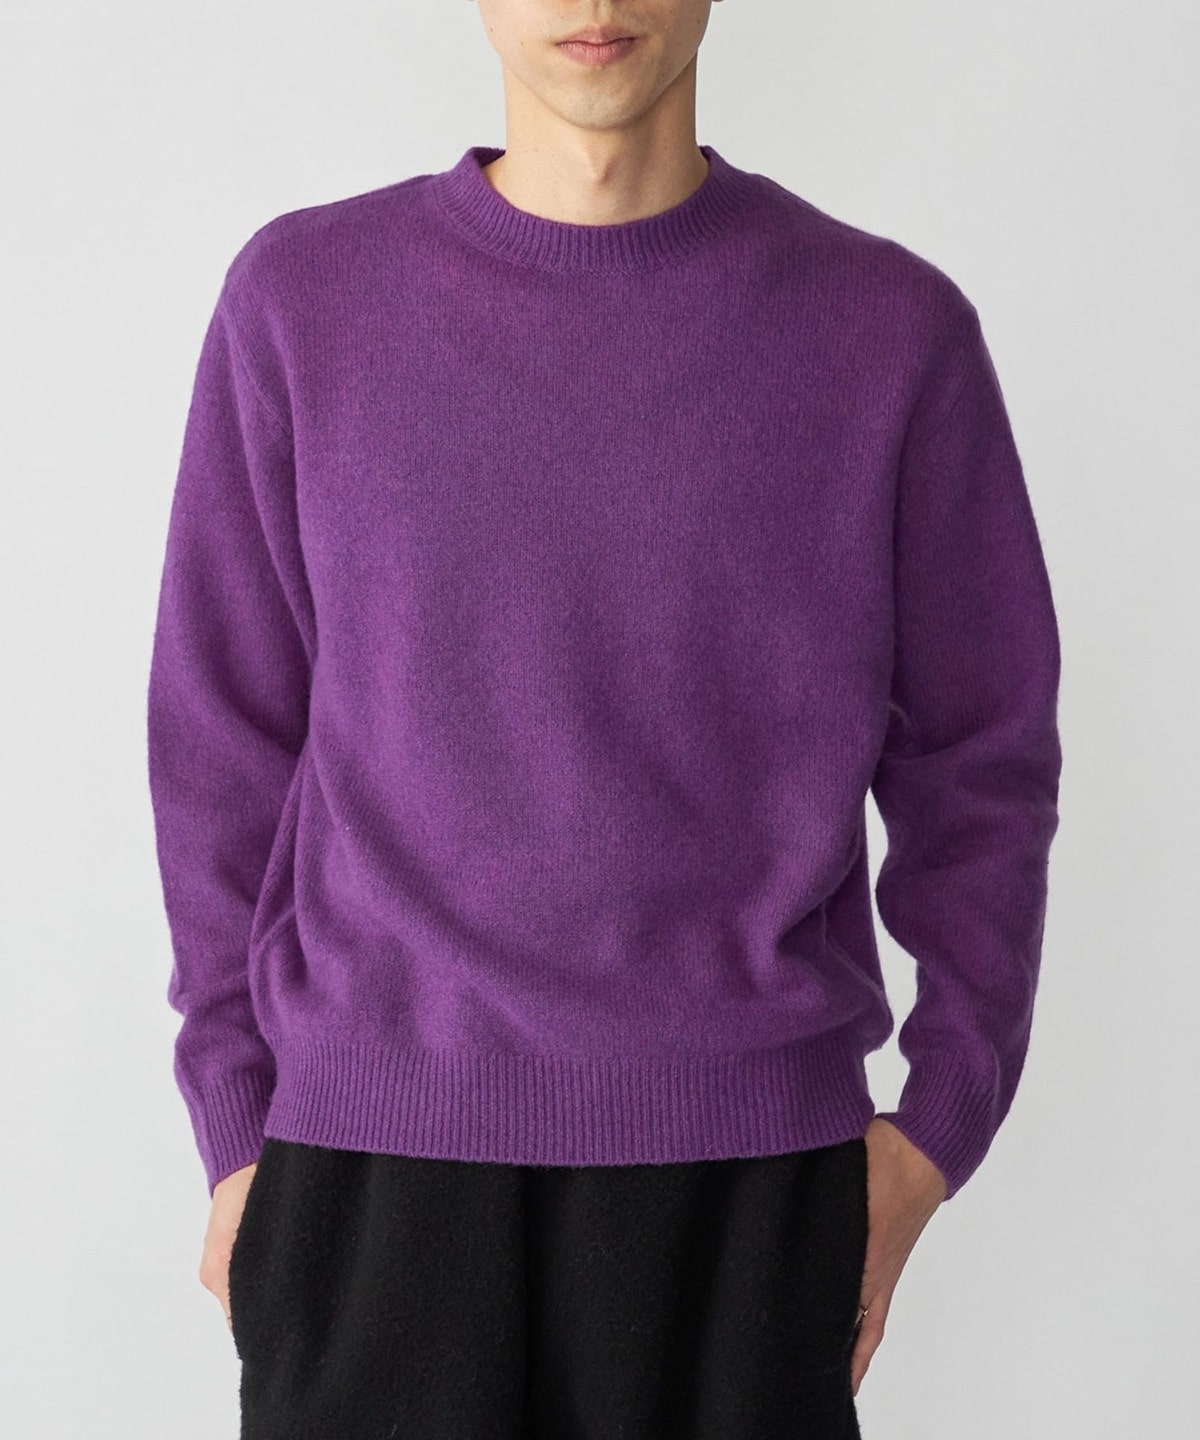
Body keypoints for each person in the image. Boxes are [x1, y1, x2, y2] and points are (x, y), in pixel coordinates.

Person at [146, 2, 1062, 1435]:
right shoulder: (302, 304)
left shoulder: (890, 333)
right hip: (373, 1183)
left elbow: (981, 759)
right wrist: (234, 1126)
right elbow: (221, 738)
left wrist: (940, 1123)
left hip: (749, 1191)